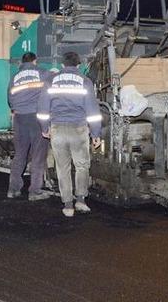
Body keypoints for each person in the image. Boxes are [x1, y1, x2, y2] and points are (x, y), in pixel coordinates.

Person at [37, 51, 102, 217]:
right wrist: (96, 134)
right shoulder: (85, 81)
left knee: (62, 167)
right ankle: (80, 201)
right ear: (78, 65)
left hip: (57, 129)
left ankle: (67, 205)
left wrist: (45, 128)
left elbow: (43, 109)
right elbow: (92, 111)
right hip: (79, 129)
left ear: (62, 65)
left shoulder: (50, 81)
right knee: (82, 166)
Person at [6, 52, 51, 201]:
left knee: (20, 154)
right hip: (36, 118)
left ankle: (13, 189)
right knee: (38, 155)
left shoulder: (14, 78)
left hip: (19, 118)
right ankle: (35, 191)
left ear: (22, 62)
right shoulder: (42, 73)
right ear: (35, 61)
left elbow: (9, 99)